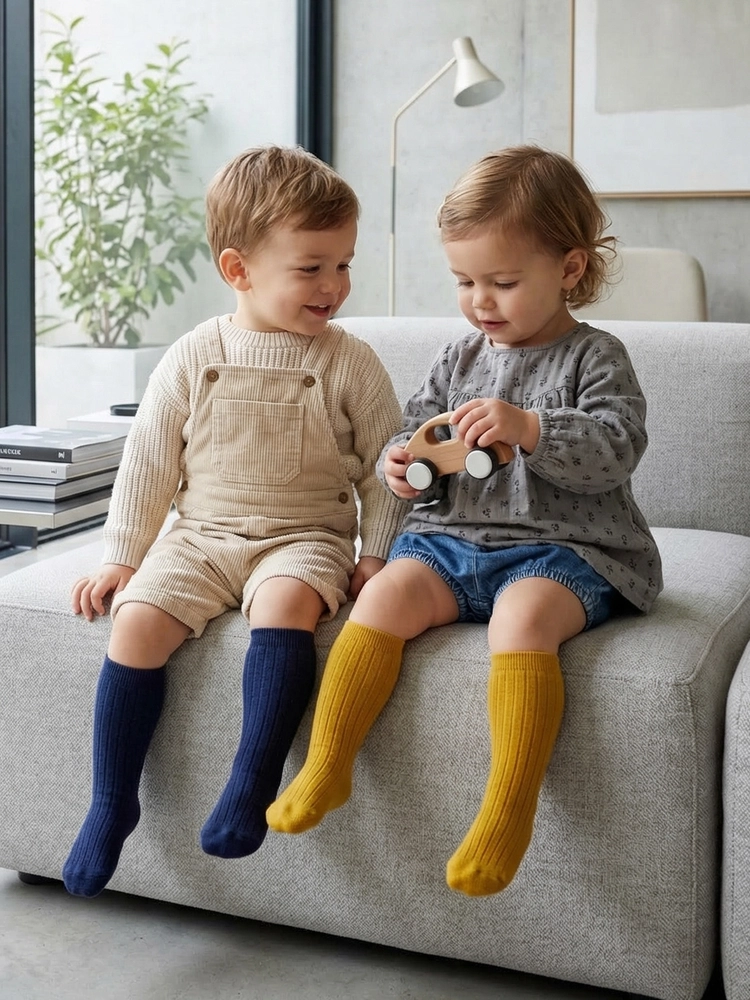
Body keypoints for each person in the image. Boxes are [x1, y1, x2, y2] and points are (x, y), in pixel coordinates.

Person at [266, 145, 664, 896]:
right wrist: (400, 461)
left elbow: (617, 450)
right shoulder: (457, 358)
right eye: (464, 281)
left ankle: (507, 812)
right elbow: (417, 430)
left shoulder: (596, 357)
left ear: (570, 268)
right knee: (382, 594)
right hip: (454, 542)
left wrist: (533, 428)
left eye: (502, 282)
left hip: (563, 550)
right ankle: (327, 764)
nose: (481, 301)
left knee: (523, 618)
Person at [62, 145, 405, 898]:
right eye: (311, 267)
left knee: (285, 607)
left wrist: (375, 553)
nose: (334, 285)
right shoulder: (194, 354)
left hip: (303, 538)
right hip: (201, 537)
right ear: (238, 269)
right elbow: (149, 459)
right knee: (136, 622)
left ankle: (252, 781)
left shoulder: (350, 361)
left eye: (343, 265)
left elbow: (390, 466)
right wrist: (122, 556)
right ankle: (112, 803)